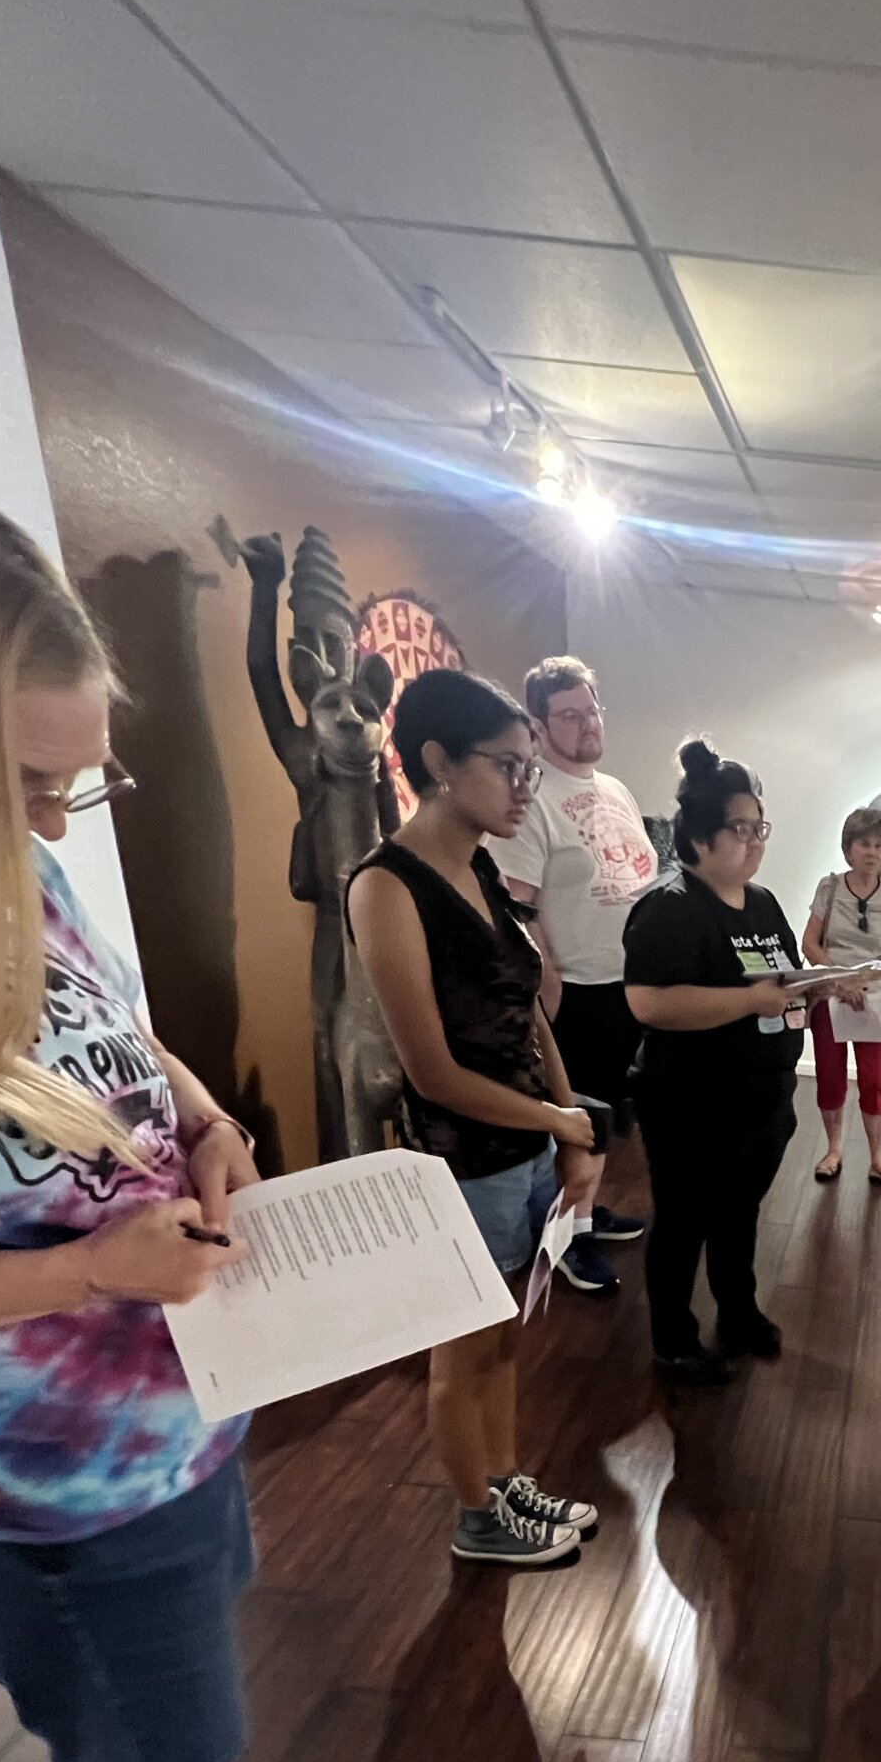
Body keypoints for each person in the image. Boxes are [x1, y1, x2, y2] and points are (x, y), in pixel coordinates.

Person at [0, 469, 359, 1762]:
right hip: (38, 1493)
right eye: (25, 783)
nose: (54, 824)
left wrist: (205, 1113)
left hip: (164, 1419)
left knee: (153, 1742)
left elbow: (111, 1019)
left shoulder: (4, 864)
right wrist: (91, 1268)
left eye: (76, 784)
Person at [346, 669, 601, 1566]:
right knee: (462, 1354)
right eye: (509, 765)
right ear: (439, 762)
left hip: (523, 1146)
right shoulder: (387, 886)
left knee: (503, 1342)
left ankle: (504, 1480)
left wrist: (568, 1117)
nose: (526, 786)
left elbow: (525, 1010)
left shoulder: (480, 864)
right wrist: (559, 1123)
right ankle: (476, 1517)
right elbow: (433, 1073)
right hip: (462, 1158)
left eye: (531, 766)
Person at [623, 739, 817, 1386]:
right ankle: (673, 1341)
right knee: (684, 1222)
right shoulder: (671, 907)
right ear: (700, 835)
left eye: (761, 828)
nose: (755, 842)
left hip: (762, 1098)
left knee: (739, 1212)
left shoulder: (761, 903)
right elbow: (650, 1002)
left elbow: (782, 981)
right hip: (690, 1102)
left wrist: (823, 986)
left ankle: (738, 1312)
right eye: (741, 829)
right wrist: (750, 1000)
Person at [489, 655, 652, 1299]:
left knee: (605, 1111)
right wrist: (547, 980)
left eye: (592, 711)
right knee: (576, 1118)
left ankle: (585, 1214)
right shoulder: (532, 799)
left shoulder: (615, 790)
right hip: (576, 990)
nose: (588, 724)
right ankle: (567, 1238)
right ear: (538, 724)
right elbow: (515, 904)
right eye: (570, 715)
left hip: (628, 983)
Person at [802, 805, 881, 1193]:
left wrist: (863, 979)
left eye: (879, 845)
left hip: (870, 999)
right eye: (864, 843)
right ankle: (833, 1150)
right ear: (848, 849)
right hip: (829, 995)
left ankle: (878, 1159)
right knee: (830, 1076)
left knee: (874, 1079)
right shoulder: (829, 887)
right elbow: (809, 944)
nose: (872, 851)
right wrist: (839, 979)